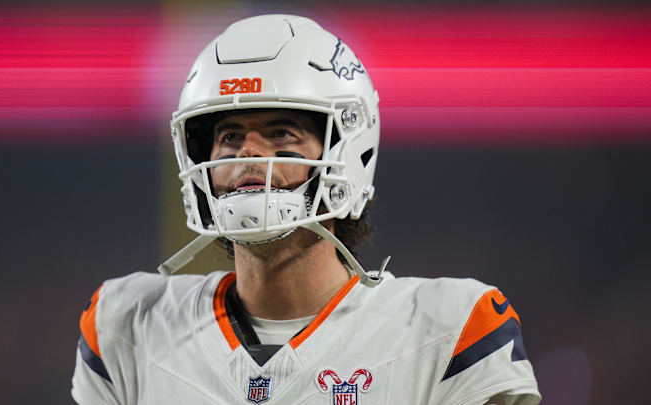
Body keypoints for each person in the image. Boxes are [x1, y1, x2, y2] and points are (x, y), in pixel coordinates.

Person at [71, 14, 540, 404]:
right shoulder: (129, 324)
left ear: (346, 153)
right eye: (230, 135)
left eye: (281, 133)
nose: (247, 153)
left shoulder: (449, 329)